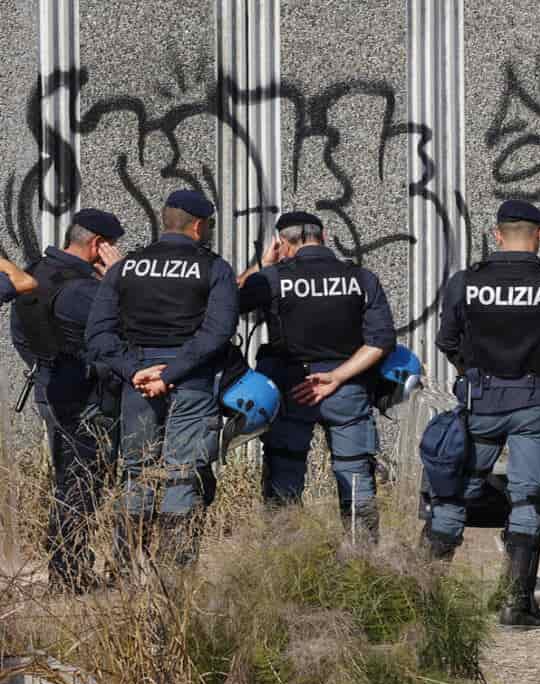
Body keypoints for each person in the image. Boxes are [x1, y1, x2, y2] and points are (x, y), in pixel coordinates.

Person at [427, 199, 540, 628]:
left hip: (482, 403)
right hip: (536, 405)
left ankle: (422, 596)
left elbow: (446, 340)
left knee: (453, 495)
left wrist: (474, 374)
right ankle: (516, 605)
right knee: (527, 497)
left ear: (497, 234)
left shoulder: (464, 283)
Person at [86, 190, 237, 567]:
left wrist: (135, 371)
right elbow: (217, 333)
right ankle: (174, 574)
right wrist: (170, 374)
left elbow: (99, 333)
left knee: (137, 471)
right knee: (182, 472)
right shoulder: (213, 267)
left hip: (137, 379)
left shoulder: (126, 267)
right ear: (199, 226)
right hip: (190, 380)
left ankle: (123, 567)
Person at [237, 211, 396, 541]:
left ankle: (285, 563)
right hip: (347, 388)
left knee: (284, 476)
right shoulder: (361, 278)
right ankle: (363, 565)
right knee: (355, 477)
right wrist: (337, 377)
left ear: (282, 244)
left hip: (289, 387)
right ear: (324, 237)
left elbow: (232, 299)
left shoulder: (271, 278)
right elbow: (380, 341)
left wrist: (263, 264)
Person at [10, 209, 125, 592]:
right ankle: (70, 567)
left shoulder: (37, 272)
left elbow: (20, 336)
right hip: (80, 394)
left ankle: (67, 561)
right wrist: (118, 281)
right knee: (83, 480)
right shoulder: (83, 289)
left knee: (70, 476)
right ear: (98, 245)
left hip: (49, 384)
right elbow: (124, 322)